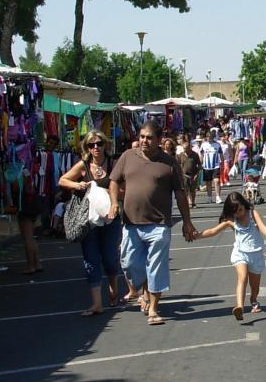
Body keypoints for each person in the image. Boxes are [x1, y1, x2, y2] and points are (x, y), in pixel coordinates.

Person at [109, 122, 197, 326]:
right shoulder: (127, 157)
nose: (144, 141)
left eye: (149, 138)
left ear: (158, 140)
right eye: (142, 137)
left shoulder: (168, 163)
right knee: (129, 264)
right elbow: (114, 181)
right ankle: (143, 290)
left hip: (158, 225)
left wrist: (187, 222)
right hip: (131, 224)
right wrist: (114, 203)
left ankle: (154, 310)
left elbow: (180, 193)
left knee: (156, 267)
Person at [60, 131, 125, 317]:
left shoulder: (114, 164)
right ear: (87, 148)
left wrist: (108, 192)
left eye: (98, 143)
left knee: (110, 257)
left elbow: (125, 189)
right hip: (88, 220)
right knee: (90, 259)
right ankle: (96, 303)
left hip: (110, 217)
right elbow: (63, 180)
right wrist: (78, 185)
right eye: (91, 145)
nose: (95, 147)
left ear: (105, 144)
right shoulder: (83, 165)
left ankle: (113, 288)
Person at [195, 192, 266, 321]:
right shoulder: (231, 220)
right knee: (242, 278)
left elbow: (263, 228)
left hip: (256, 255)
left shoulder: (252, 213)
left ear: (243, 204)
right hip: (240, 254)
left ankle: (253, 299)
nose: (239, 214)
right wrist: (197, 235)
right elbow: (214, 231)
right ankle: (239, 307)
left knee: (255, 286)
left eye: (240, 209)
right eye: (235, 212)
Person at [199, 131, 223, 204]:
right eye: (208, 137)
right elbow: (201, 154)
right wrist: (201, 163)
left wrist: (222, 162)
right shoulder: (203, 145)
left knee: (217, 181)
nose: (209, 139)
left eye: (211, 137)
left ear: (213, 137)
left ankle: (218, 197)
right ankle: (209, 197)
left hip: (216, 166)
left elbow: (221, 154)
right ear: (206, 137)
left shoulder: (217, 145)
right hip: (206, 167)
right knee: (208, 183)